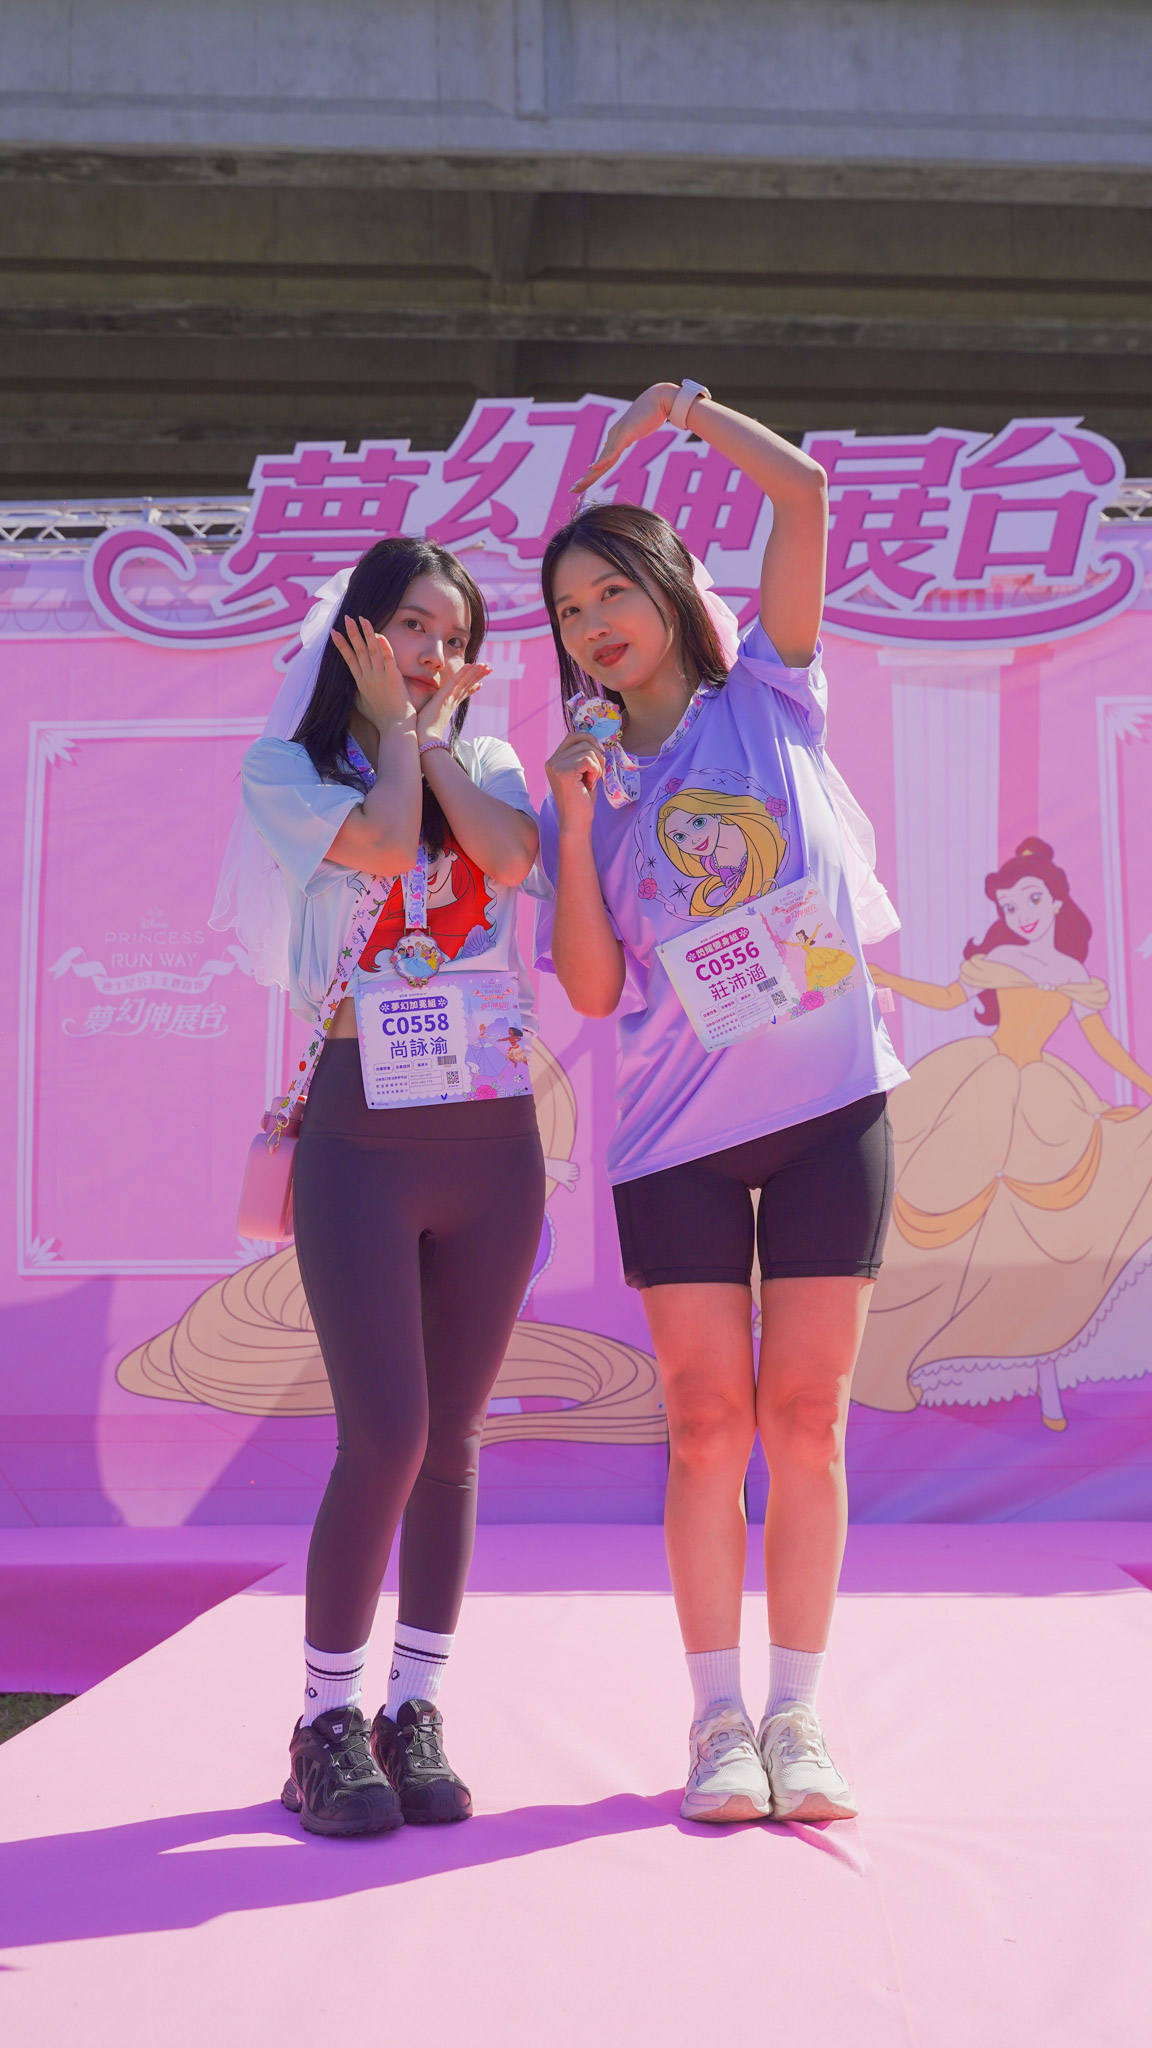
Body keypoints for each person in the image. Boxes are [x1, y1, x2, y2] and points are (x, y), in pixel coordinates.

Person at [536, 380, 907, 1824]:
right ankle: (715, 1722)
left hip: (828, 1110)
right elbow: (589, 987)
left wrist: (688, 413)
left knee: (806, 1417)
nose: (594, 623)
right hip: (673, 1138)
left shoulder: (770, 691)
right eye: (570, 611)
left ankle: (799, 1715)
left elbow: (804, 495)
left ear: (675, 591)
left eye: (614, 591)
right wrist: (576, 820)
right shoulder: (591, 780)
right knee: (705, 1423)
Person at [227, 536, 545, 1836]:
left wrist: (440, 738)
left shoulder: (489, 759)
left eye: (453, 635)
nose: (433, 651)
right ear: (356, 631)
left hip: (492, 1128)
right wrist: (398, 734)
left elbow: (509, 861)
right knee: (388, 1435)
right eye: (411, 625)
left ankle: (415, 1709)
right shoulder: (288, 770)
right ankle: (324, 1720)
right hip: (362, 1130)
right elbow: (387, 841)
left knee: (454, 1442)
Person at [858, 837, 1152, 1430]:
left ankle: (1044, 1371)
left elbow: (1101, 1043)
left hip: (1046, 1098)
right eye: (1010, 906)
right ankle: (884, 1343)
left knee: (1037, 1232)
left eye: (1032, 900)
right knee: (946, 1210)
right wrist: (887, 976)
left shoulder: (1074, 976)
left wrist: (1146, 1083)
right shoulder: (998, 961)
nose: (1021, 914)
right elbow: (946, 998)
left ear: (1057, 902)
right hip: (979, 1083)